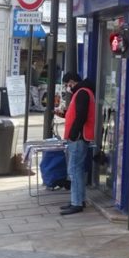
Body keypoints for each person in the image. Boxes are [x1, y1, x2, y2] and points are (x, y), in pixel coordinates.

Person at [57, 72, 95, 215]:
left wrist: (73, 134)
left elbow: (81, 116)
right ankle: (79, 199)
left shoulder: (82, 93)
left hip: (78, 137)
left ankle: (76, 203)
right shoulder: (84, 92)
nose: (67, 87)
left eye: (67, 84)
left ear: (72, 81)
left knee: (74, 170)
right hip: (80, 136)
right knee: (77, 169)